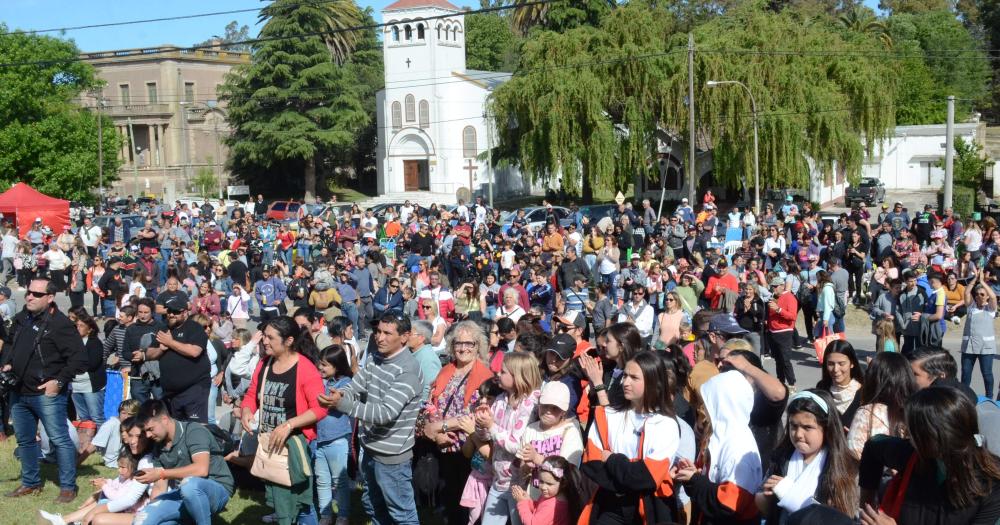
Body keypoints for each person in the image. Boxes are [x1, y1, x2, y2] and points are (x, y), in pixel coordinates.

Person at [319, 312, 424, 525]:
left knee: (401, 513)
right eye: (378, 331)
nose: (379, 337)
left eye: (387, 333)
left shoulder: (408, 369)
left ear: (404, 337)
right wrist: (343, 393)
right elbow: (358, 384)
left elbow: (384, 413)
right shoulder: (377, 357)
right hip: (371, 449)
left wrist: (343, 404)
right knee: (372, 505)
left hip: (392, 456)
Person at [859, 387, 1000, 524]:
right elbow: (873, 446)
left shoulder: (991, 487)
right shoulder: (912, 455)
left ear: (937, 437)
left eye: (912, 430)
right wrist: (868, 506)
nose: (907, 434)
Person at [1, 278, 87, 503]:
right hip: (19, 391)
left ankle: (68, 487)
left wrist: (58, 382)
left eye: (36, 294)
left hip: (46, 394)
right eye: (29, 292)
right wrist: (8, 362)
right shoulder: (22, 317)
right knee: (25, 440)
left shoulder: (61, 324)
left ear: (50, 298)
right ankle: (31, 483)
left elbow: (79, 359)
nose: (29, 296)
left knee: (60, 439)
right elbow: (10, 343)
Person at [579, 351, 681, 525]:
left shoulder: (666, 424)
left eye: (634, 377)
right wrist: (630, 472)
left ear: (652, 381)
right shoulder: (607, 415)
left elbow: (647, 478)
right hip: (610, 506)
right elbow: (591, 463)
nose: (625, 382)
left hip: (650, 509)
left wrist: (612, 459)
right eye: (625, 375)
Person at [418, 321, 495, 525]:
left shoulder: (485, 377)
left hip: (467, 449)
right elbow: (431, 403)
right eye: (458, 343)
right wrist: (435, 432)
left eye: (469, 343)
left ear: (478, 346)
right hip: (442, 446)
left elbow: (473, 414)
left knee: (468, 505)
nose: (463, 348)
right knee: (449, 503)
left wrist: (440, 427)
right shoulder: (446, 371)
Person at [755, 390, 858, 524]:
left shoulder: (842, 467)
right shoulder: (781, 457)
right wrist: (766, 498)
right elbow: (762, 504)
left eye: (807, 427)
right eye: (793, 426)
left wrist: (790, 495)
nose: (798, 434)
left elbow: (841, 518)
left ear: (826, 428)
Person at [675, 369, 762, 525]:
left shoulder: (737, 444)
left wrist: (694, 480)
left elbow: (728, 504)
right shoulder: (721, 436)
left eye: (709, 401)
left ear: (723, 403)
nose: (704, 406)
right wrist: (692, 474)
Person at [131, 400, 234, 525]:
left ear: (164, 419)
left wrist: (161, 473)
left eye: (150, 429)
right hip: (183, 494)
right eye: (145, 431)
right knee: (142, 519)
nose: (147, 435)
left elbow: (201, 470)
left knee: (189, 484)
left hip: (216, 488)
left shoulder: (193, 431)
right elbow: (159, 487)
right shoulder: (158, 446)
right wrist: (154, 509)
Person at [476, 352, 543, 525]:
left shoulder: (530, 405)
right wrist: (481, 425)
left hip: (518, 484)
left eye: (504, 372)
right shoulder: (500, 400)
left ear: (518, 376)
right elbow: (487, 436)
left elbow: (518, 445)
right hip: (498, 480)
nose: (498, 374)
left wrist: (491, 426)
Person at [142, 295, 211, 422]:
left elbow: (194, 352)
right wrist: (160, 349)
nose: (171, 315)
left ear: (185, 312)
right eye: (169, 311)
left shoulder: (194, 328)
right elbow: (149, 354)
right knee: (177, 431)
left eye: (175, 312)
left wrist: (170, 343)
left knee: (195, 429)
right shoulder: (163, 329)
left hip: (194, 389)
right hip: (171, 394)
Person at [39, 451, 151, 525]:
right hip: (123, 510)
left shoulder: (132, 482)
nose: (119, 470)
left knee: (104, 502)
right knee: (101, 501)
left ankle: (66, 521)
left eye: (122, 467)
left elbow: (118, 498)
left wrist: (104, 486)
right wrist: (106, 481)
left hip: (132, 514)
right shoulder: (124, 478)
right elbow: (115, 483)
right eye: (118, 467)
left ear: (133, 468)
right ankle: (65, 520)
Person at [846, 352, 916, 460]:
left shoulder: (866, 414)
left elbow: (853, 456)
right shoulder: (916, 411)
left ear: (873, 380)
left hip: (873, 475)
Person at [314, 345, 354, 525]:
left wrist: (335, 398)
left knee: (339, 481)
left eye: (325, 365)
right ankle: (325, 515)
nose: (321, 368)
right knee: (322, 480)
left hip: (337, 439)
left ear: (337, 366)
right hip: (319, 439)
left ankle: (343, 515)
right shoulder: (319, 381)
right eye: (320, 364)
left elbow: (344, 396)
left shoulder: (345, 383)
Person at [70, 310, 107, 453]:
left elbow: (92, 363)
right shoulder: (73, 342)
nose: (78, 328)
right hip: (76, 385)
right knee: (84, 418)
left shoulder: (94, 343)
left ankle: (103, 446)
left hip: (91, 385)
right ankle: (87, 445)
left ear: (90, 328)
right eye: (77, 325)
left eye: (81, 325)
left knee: (96, 416)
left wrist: (76, 364)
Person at [960, 268, 997, 398]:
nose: (979, 296)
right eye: (977, 294)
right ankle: (963, 397)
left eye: (982, 294)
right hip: (969, 347)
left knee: (987, 374)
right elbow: (966, 292)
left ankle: (989, 397)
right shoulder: (971, 307)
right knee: (965, 374)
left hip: (986, 348)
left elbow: (993, 296)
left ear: (986, 296)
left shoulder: (990, 309)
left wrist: (982, 281)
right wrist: (975, 279)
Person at [512, 456, 583, 525]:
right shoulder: (551, 495)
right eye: (541, 481)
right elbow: (540, 509)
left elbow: (532, 523)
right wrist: (528, 501)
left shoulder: (554, 505)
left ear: (563, 483)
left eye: (549, 484)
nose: (543, 487)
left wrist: (522, 503)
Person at [814, 340, 864, 428]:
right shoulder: (821, 388)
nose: (836, 369)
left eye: (841, 364)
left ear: (852, 363)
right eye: (831, 364)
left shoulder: (865, 392)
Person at [765, 276, 798, 387]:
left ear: (782, 286)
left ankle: (792, 384)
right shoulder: (773, 297)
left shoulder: (790, 297)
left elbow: (792, 316)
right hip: (772, 332)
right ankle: (781, 382)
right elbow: (770, 314)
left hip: (784, 332)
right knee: (778, 360)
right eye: (772, 286)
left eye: (775, 286)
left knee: (785, 360)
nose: (773, 289)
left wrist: (778, 309)